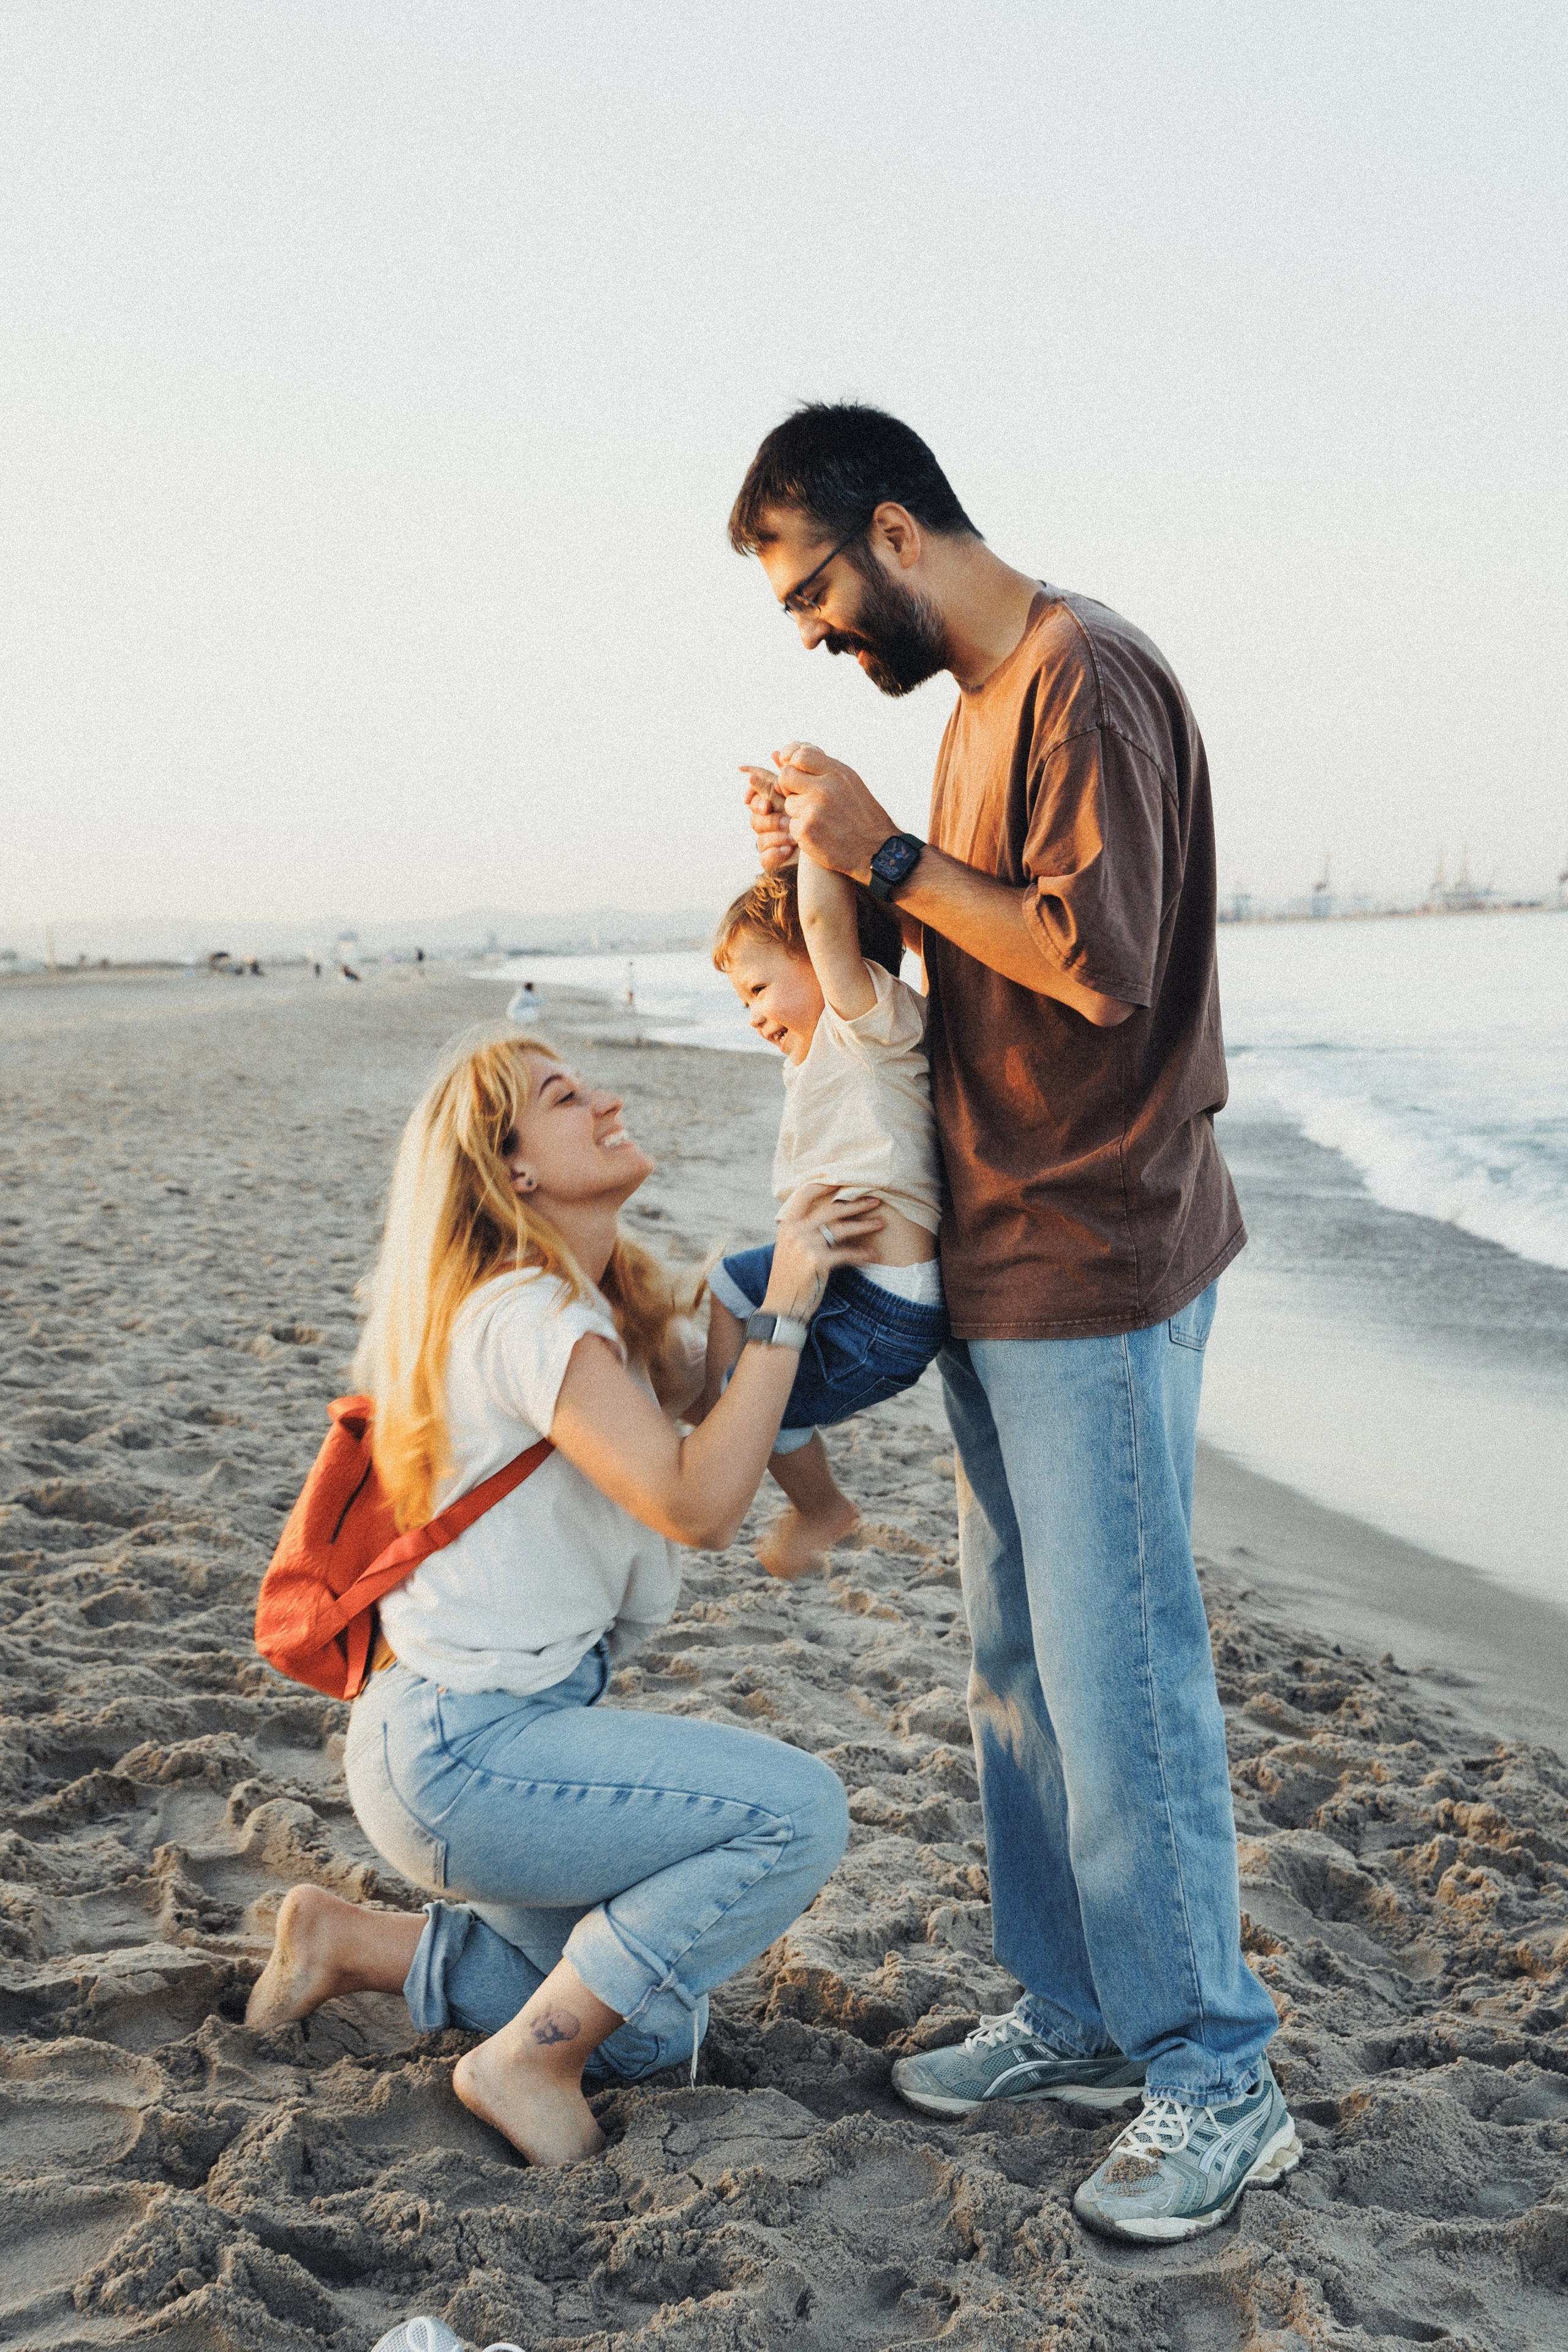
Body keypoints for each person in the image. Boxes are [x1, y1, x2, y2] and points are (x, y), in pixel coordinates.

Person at [726, 402, 1295, 2244]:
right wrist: (830, 864)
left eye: (812, 582)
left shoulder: (1080, 676)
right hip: (995, 1255)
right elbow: (940, 971)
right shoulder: (973, 715)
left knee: (1118, 1681)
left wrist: (887, 852)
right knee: (1022, 1675)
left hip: (1098, 1254)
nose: (809, 625)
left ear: (893, 527)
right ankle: (1073, 2014)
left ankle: (1217, 2072)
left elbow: (1098, 961)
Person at [247, 1027, 875, 2167]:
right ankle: (522, 2058)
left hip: (488, 1743)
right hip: (460, 1752)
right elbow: (698, 1505)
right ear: (513, 1168)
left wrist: (813, 1294)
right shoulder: (525, 1316)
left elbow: (736, 1402)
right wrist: (786, 1297)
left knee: (649, 2032)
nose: (606, 1100)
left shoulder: (605, 1311)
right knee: (797, 1812)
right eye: (564, 1095)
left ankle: (351, 1942)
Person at [702, 845, 947, 1575]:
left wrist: (811, 831)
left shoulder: (865, 1024)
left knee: (769, 1408)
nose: (750, 1014)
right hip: (839, 1280)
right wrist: (779, 849)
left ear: (822, 956)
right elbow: (799, 911)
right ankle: (722, 1426)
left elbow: (814, 916)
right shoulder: (818, 1047)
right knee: (724, 1287)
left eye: (756, 990)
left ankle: (817, 1504)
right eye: (741, 1000)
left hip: (883, 1310)